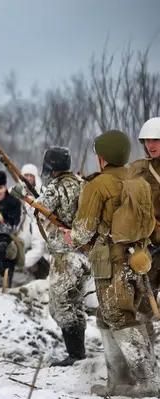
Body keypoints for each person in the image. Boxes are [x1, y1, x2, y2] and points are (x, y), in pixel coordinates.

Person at [66, 130, 159, 397]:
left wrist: (72, 235)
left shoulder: (98, 185)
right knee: (109, 317)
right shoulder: (139, 181)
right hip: (138, 260)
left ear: (102, 157)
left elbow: (83, 230)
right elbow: (150, 224)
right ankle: (118, 381)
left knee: (119, 316)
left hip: (111, 261)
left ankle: (147, 381)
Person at [33, 147, 89, 367]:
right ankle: (78, 351)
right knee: (75, 302)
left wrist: (37, 199)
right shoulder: (81, 182)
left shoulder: (55, 187)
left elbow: (38, 211)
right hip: (83, 253)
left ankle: (75, 354)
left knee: (60, 304)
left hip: (65, 255)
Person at [127, 116, 160, 340]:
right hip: (150, 241)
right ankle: (147, 342)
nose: (151, 144)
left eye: (156, 139)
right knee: (144, 293)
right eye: (147, 140)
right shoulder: (137, 169)